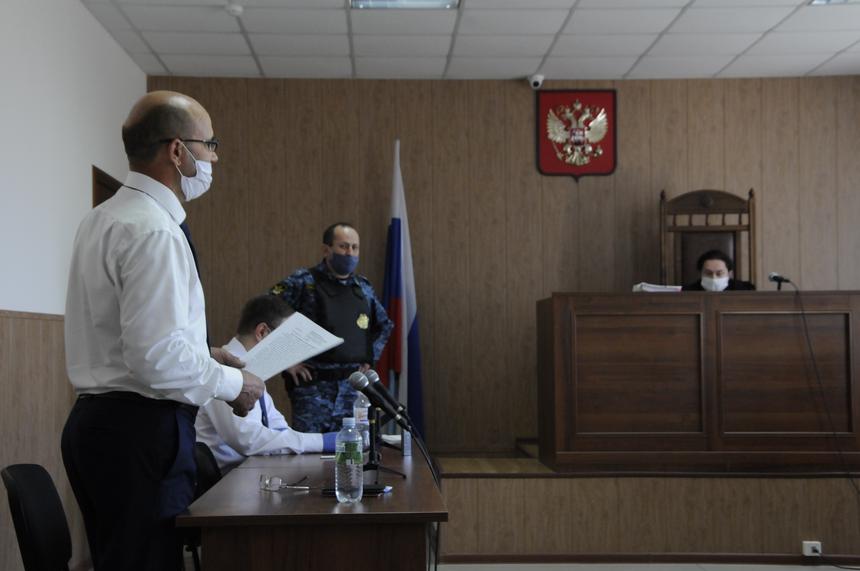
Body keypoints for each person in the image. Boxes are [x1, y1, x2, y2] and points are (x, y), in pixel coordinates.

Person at [61, 91, 265, 571]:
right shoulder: (153, 230)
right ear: (178, 151)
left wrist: (204, 352)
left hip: (99, 426)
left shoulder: (103, 218)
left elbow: (128, 335)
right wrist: (236, 384)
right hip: (140, 434)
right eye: (210, 144)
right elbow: (155, 359)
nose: (215, 157)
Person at [269, 222, 393, 433]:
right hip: (313, 391)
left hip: (353, 390)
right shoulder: (303, 282)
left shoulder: (363, 288)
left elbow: (384, 325)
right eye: (343, 246)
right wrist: (285, 361)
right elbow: (265, 312)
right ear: (326, 249)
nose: (350, 253)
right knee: (310, 456)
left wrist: (369, 359)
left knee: (354, 452)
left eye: (355, 247)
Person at [196, 295, 338, 473]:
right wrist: (324, 442)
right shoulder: (222, 370)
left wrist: (321, 442)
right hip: (223, 485)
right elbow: (249, 440)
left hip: (248, 475)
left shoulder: (253, 373)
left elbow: (278, 428)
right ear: (262, 332)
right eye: (287, 340)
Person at [682, 249, 756, 291]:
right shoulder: (687, 292)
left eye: (719, 273)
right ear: (701, 273)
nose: (714, 278)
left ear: (729, 273)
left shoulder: (745, 290)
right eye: (708, 273)